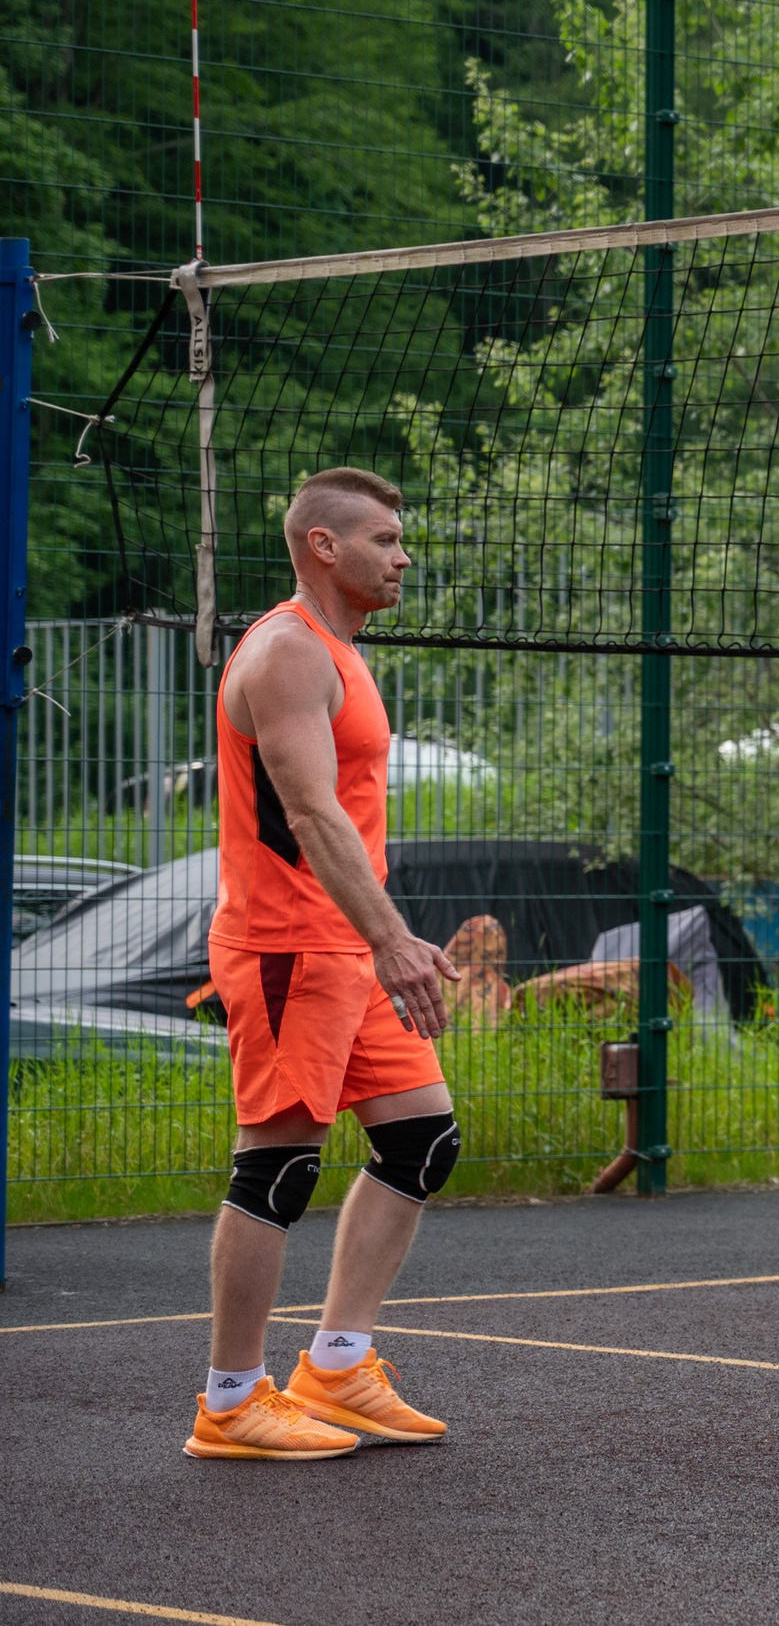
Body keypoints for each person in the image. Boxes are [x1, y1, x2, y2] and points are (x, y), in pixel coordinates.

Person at [187, 467, 462, 1461]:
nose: (403, 556)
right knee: (278, 1166)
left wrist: (380, 935)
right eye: (385, 539)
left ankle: (337, 1365)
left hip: (349, 943)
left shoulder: (341, 651)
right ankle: (230, 1401)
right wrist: (392, 937)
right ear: (323, 545)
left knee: (421, 1141)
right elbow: (309, 814)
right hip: (288, 949)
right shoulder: (286, 653)